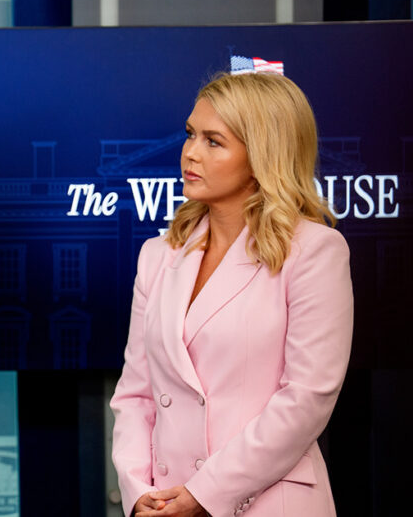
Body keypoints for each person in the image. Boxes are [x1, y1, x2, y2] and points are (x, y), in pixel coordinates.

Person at [110, 72, 353, 516]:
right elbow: (135, 395)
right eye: (190, 134)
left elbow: (306, 398)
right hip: (165, 504)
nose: (190, 152)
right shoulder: (157, 256)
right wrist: (138, 490)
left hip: (268, 502)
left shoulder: (315, 251)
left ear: (262, 154)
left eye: (213, 141)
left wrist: (205, 494)